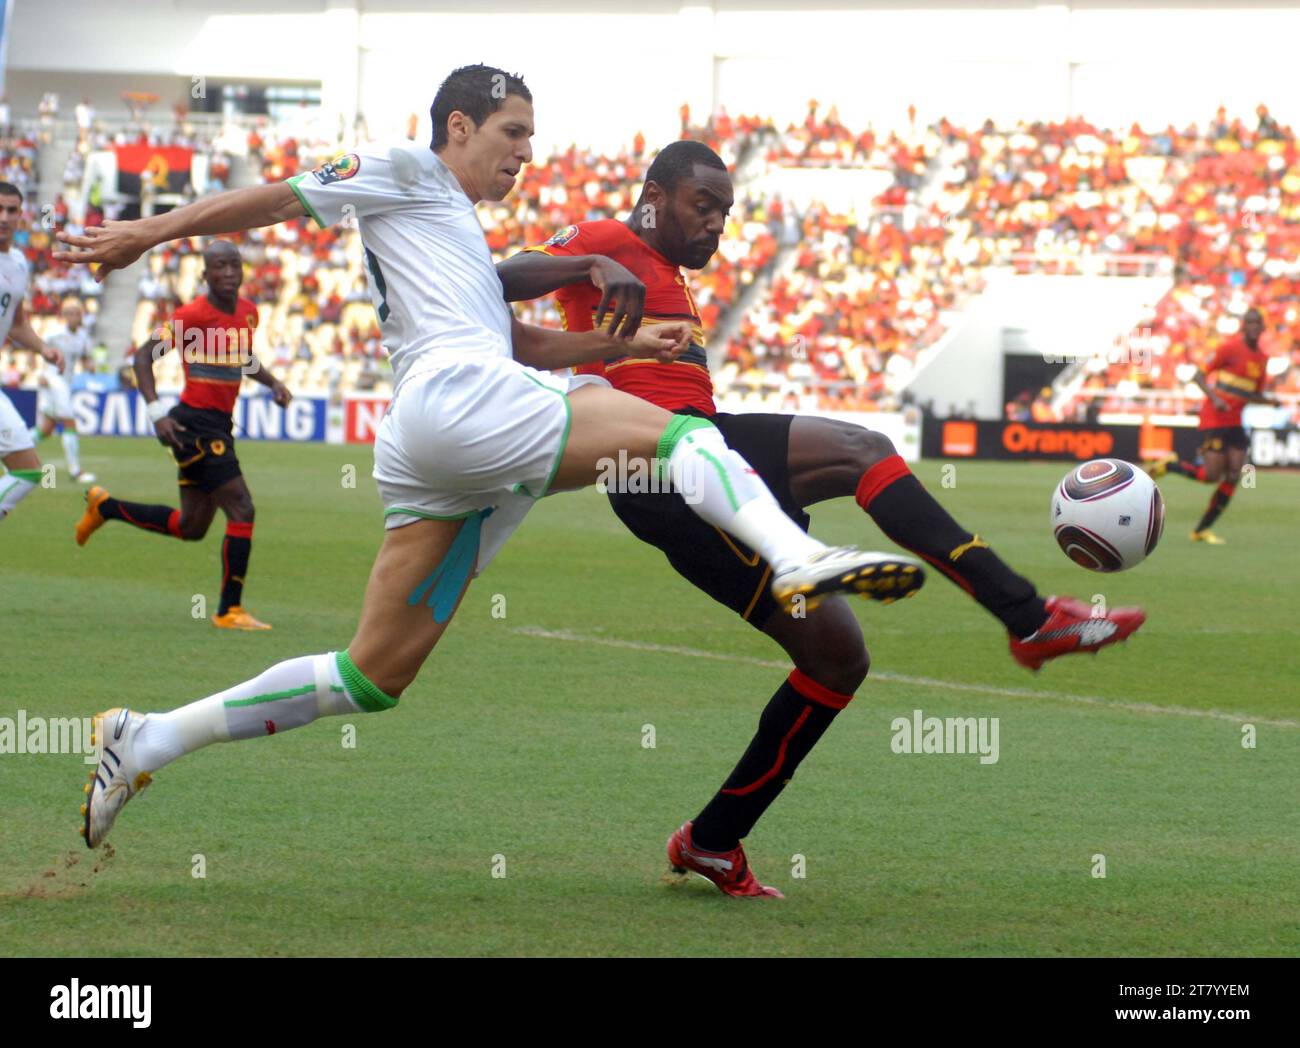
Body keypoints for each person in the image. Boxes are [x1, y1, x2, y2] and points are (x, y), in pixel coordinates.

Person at [54, 65, 913, 852]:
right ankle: (799, 556)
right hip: (455, 400)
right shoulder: (406, 168)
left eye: (532, 140)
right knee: (679, 433)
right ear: (458, 126)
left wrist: (618, 339)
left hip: (448, 437)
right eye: (514, 133)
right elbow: (279, 199)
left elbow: (515, 342)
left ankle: (151, 735)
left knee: (372, 674)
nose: (527, 154)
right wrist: (149, 231)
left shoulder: (455, 230)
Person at [497, 140, 1147, 897]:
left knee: (837, 656)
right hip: (659, 471)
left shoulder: (669, 274)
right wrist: (587, 265)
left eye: (726, 214)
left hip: (710, 449)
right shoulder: (610, 239)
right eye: (702, 207)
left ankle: (711, 841)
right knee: (857, 449)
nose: (715, 226)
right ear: (655, 195)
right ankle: (1028, 616)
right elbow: (498, 277)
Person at [75, 241, 290, 630]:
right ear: (205, 275)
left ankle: (104, 506)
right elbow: (143, 357)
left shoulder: (248, 313)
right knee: (242, 508)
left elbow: (242, 357)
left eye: (234, 266)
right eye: (219, 267)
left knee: (191, 527)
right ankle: (229, 610)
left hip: (218, 424)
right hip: (195, 426)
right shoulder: (191, 316)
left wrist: (272, 382)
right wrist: (157, 412)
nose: (228, 273)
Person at [1147, 308, 1278, 543]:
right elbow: (1197, 375)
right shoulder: (1229, 348)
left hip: (1235, 421)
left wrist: (1270, 401)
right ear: (1243, 326)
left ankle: (1201, 530)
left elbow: (1253, 394)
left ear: (1262, 327)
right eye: (1249, 322)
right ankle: (1171, 466)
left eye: (1258, 322)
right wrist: (1216, 399)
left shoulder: (1262, 358)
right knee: (1210, 476)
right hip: (1215, 417)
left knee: (1236, 473)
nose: (1254, 326)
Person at [0, 181, 65, 522]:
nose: (4, 217)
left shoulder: (18, 265)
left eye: (11, 210)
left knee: (28, 472)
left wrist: (44, 348)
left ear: (21, 216)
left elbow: (17, 322)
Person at [31, 296, 96, 483]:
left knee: (46, 430)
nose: (74, 317)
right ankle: (76, 471)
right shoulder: (54, 334)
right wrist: (40, 372)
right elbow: (39, 352)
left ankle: (9, 451)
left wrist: (90, 365)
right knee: (70, 423)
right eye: (70, 313)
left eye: (77, 313)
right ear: (64, 316)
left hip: (65, 382)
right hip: (52, 380)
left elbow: (85, 358)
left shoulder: (83, 337)